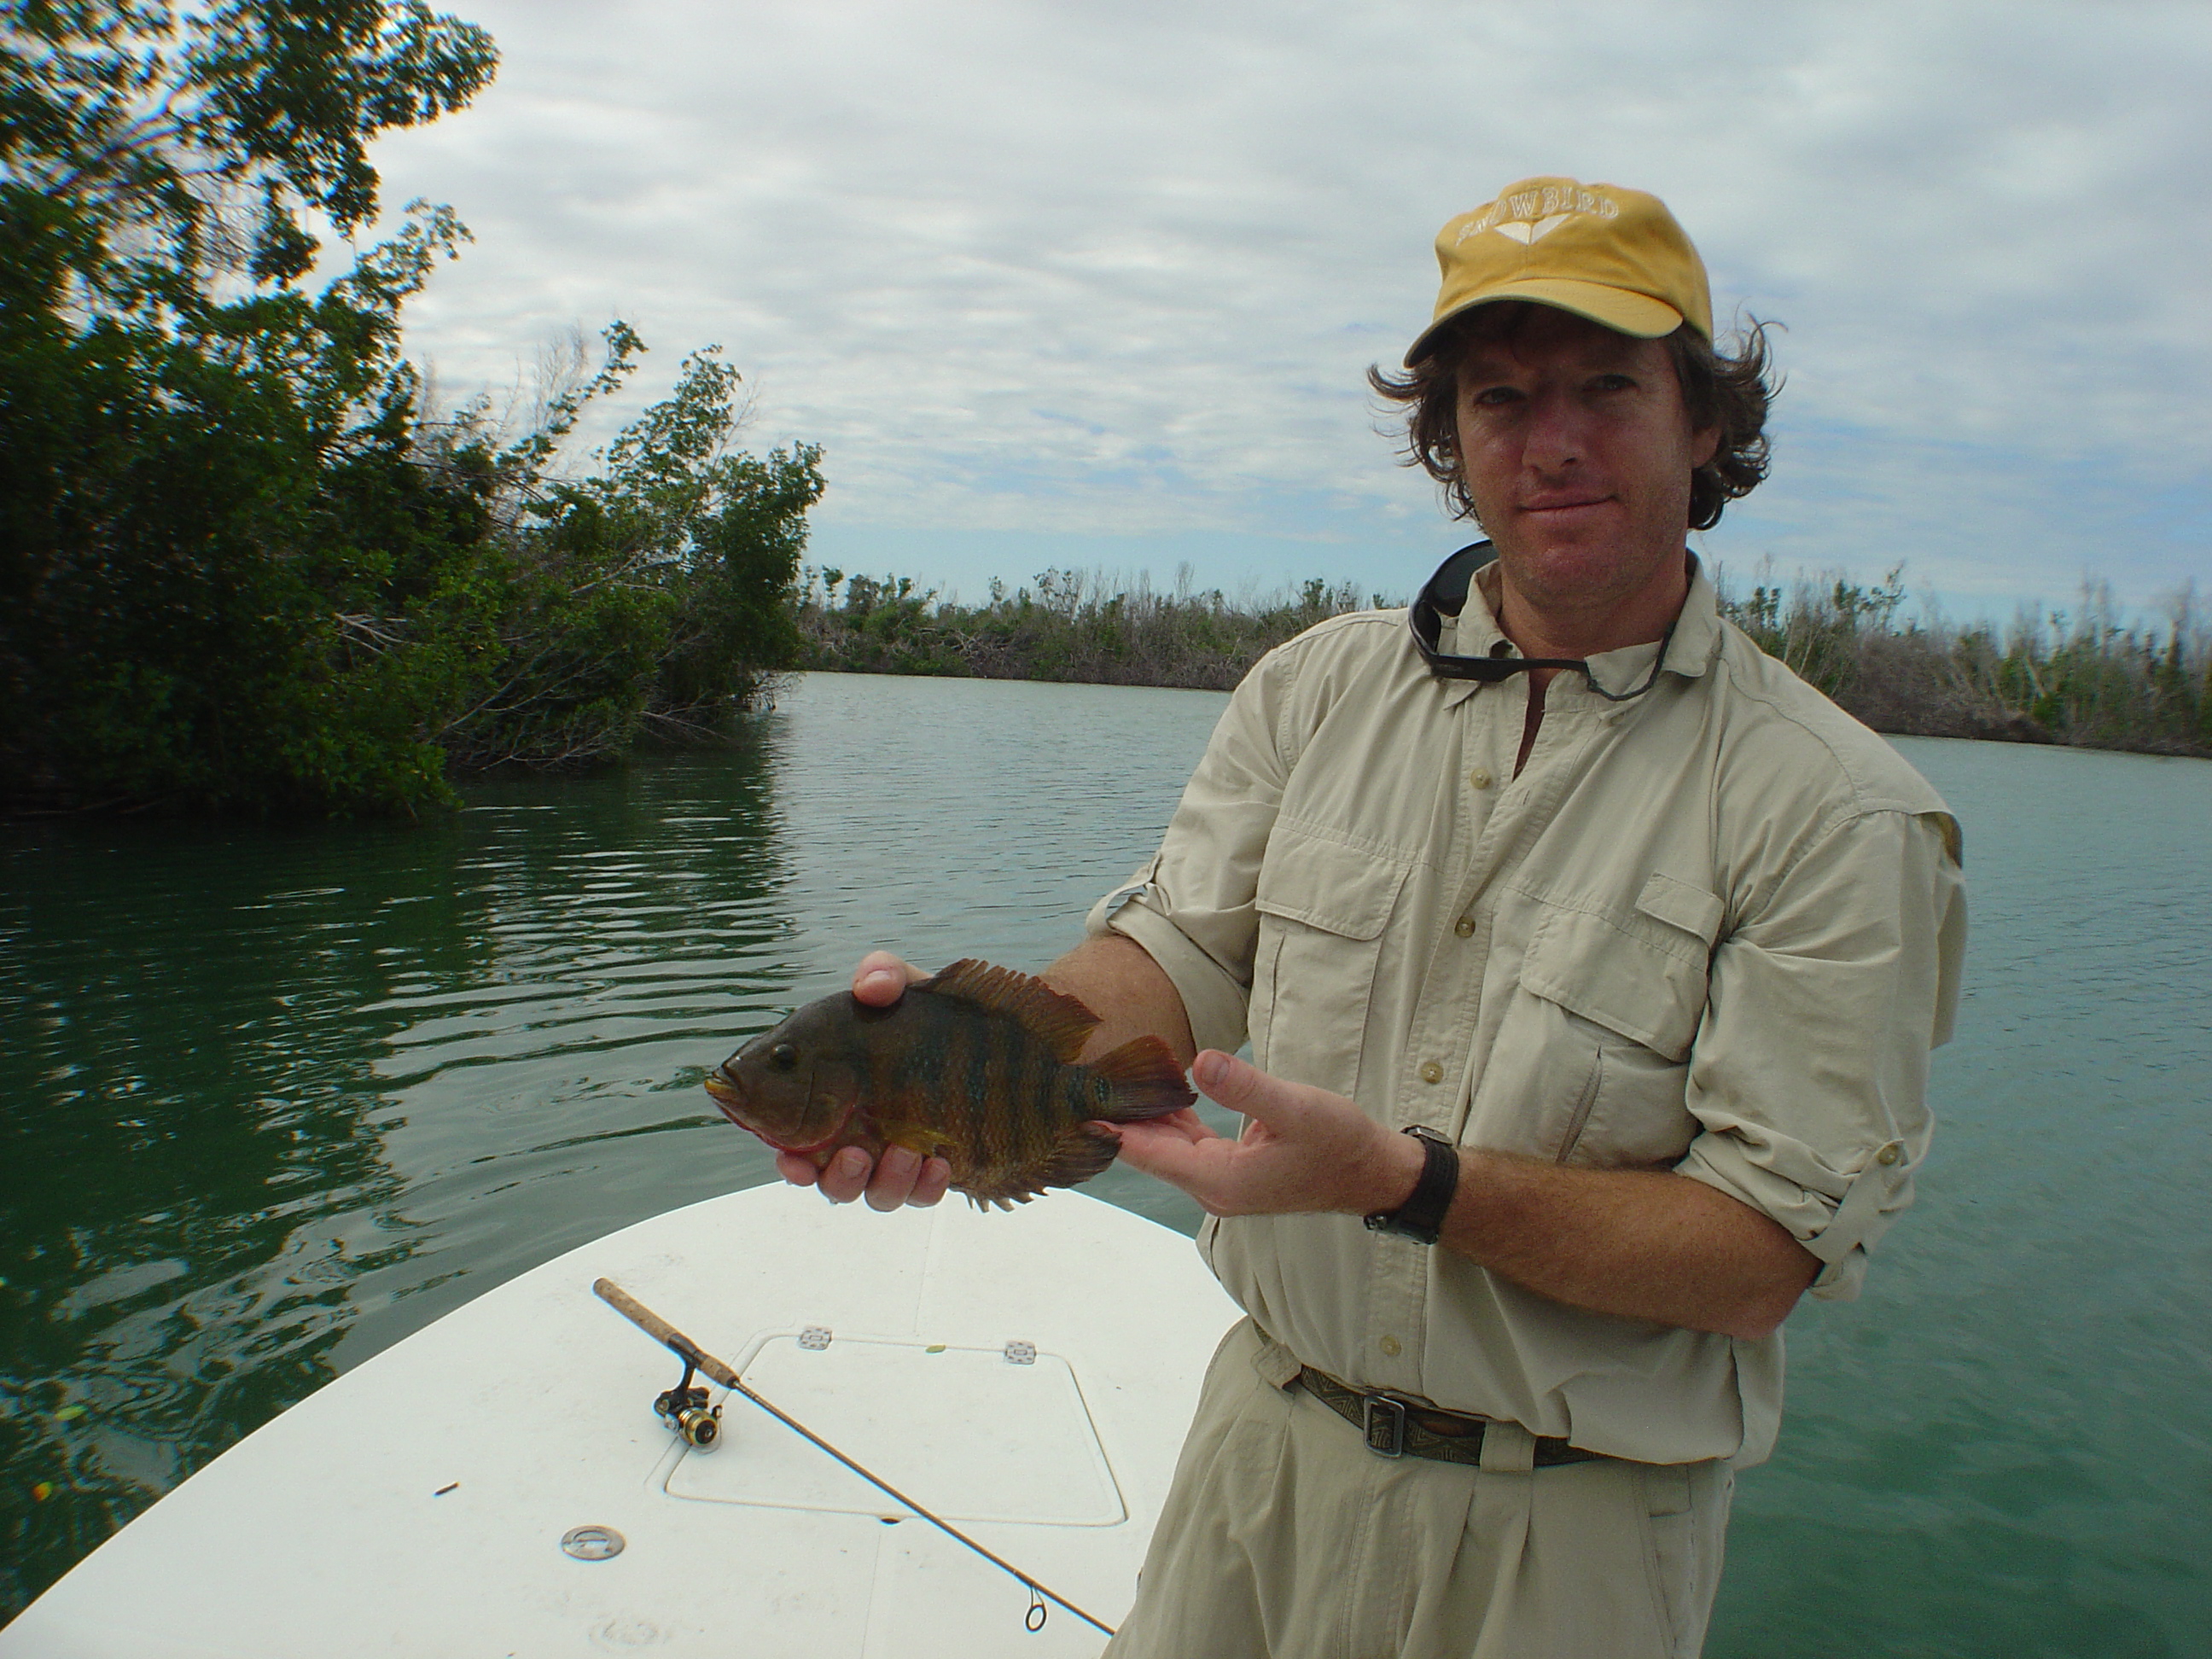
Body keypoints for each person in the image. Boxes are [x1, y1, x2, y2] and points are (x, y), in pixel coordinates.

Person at [782, 175, 1967, 1658]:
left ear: (1705, 419)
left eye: (1609, 385)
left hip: (1570, 1545)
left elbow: (1757, 1257)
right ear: (1449, 440)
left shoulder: (1838, 810)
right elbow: (1179, 953)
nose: (1552, 442)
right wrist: (947, 1054)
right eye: (1498, 398)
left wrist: (1402, 1180)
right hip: (1260, 1456)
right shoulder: (1312, 688)